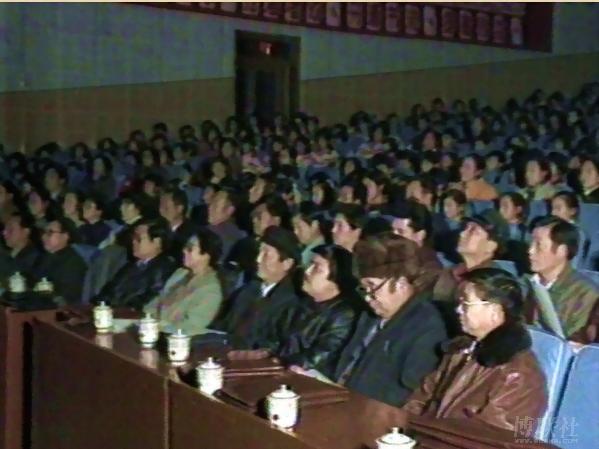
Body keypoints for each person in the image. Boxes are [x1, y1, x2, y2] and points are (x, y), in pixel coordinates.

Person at [403, 268, 547, 432]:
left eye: (465, 303)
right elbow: (420, 399)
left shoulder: (521, 376)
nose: (458, 310)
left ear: (494, 311)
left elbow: (493, 439)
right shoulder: (461, 349)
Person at [333, 233, 447, 407]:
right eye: (364, 288)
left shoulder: (427, 328)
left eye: (372, 287)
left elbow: (409, 396)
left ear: (400, 283)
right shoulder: (369, 317)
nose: (367, 298)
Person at [229, 244, 358, 379]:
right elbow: (273, 339)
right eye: (309, 265)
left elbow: (319, 359)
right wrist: (262, 353)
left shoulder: (344, 315)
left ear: (336, 278)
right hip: (276, 373)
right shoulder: (300, 303)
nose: (307, 271)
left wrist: (279, 361)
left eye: (317, 268)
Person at [213, 226, 305, 349]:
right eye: (259, 252)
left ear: (287, 263)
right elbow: (224, 325)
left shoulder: (291, 303)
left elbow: (272, 346)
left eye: (266, 254)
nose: (258, 259)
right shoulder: (249, 289)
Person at [527, 217, 599, 343]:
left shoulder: (585, 292)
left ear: (562, 251)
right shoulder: (529, 283)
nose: (530, 251)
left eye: (539, 245)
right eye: (531, 244)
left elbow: (575, 342)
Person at [144, 228, 223, 336]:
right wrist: (148, 321)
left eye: (190, 248)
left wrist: (159, 326)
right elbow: (155, 303)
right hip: (152, 330)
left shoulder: (210, 289)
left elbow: (192, 326)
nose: (184, 250)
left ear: (206, 255)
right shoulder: (180, 273)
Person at [95, 218, 177, 310]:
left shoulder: (165, 269)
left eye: (138, 238)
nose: (133, 242)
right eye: (133, 237)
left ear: (157, 242)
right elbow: (108, 291)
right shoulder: (131, 266)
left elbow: (147, 301)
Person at [36, 217, 87, 304]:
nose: (44, 236)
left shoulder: (74, 262)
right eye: (44, 232)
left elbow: (67, 297)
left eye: (50, 232)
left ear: (65, 236)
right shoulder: (45, 257)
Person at [0, 211, 42, 282]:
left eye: (10, 229)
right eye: (5, 229)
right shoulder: (8, 254)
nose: (4, 233)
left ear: (26, 232)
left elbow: (13, 275)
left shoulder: (34, 257)